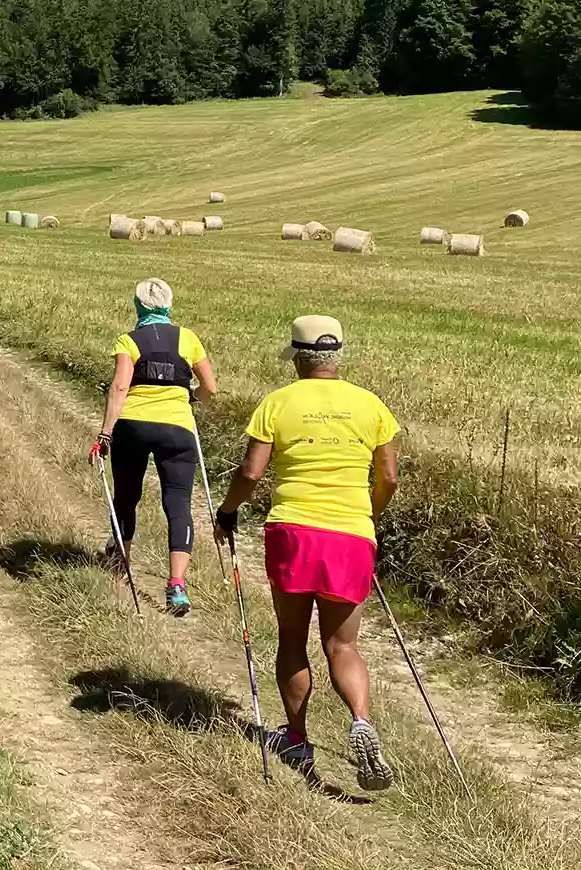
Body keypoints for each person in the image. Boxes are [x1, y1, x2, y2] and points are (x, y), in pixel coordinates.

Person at [214, 315, 401, 791]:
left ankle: (297, 738)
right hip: (351, 534)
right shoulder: (371, 405)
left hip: (294, 530)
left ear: (298, 357)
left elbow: (252, 473)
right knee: (343, 645)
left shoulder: (278, 402)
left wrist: (228, 510)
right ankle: (361, 720)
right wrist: (368, 517)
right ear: (337, 356)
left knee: (292, 636)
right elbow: (390, 477)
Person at [88, 279, 218, 616]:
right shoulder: (188, 339)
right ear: (168, 306)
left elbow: (119, 387)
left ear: (138, 306)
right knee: (178, 503)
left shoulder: (128, 340)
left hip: (133, 426)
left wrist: (105, 434)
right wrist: (190, 401)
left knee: (127, 496)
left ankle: (121, 563)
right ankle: (176, 585)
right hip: (177, 427)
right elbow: (211, 387)